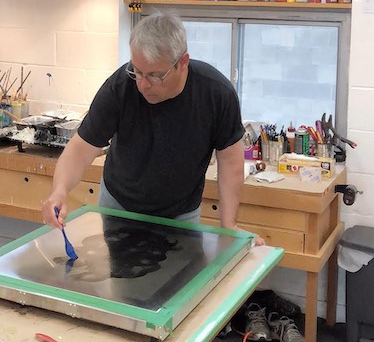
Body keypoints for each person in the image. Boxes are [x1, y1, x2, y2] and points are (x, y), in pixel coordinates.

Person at [42, 12, 264, 246]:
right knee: (119, 278)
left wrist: (228, 226)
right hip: (119, 207)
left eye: (155, 75)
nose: (142, 84)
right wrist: (59, 190)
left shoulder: (216, 93)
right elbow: (81, 148)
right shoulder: (120, 87)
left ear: (183, 62)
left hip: (181, 214)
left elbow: (230, 160)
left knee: (182, 279)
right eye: (137, 71)